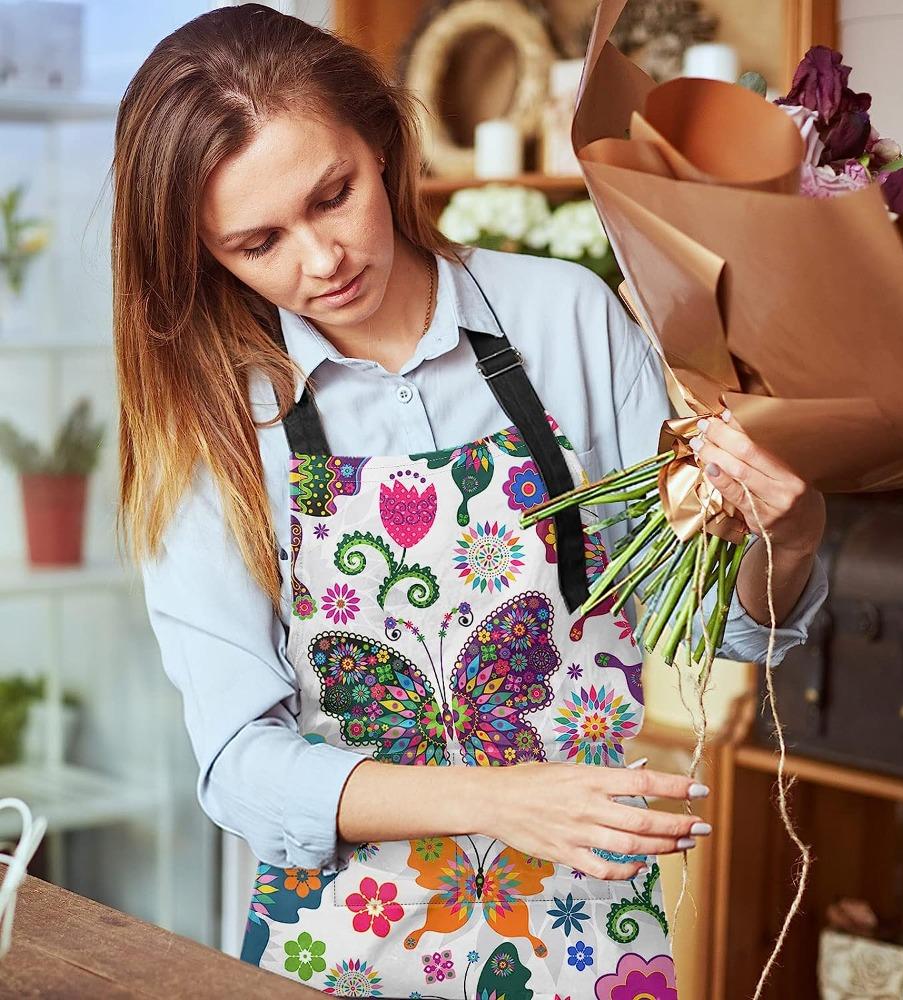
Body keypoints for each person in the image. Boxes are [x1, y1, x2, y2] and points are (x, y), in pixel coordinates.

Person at [115, 5, 828, 997]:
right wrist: (497, 800)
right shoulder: (215, 428)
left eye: (335, 194)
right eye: (257, 242)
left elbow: (709, 627)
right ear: (203, 253)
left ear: (383, 140)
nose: (321, 260)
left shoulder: (566, 317)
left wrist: (787, 538)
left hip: (585, 932)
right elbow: (238, 764)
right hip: (338, 946)